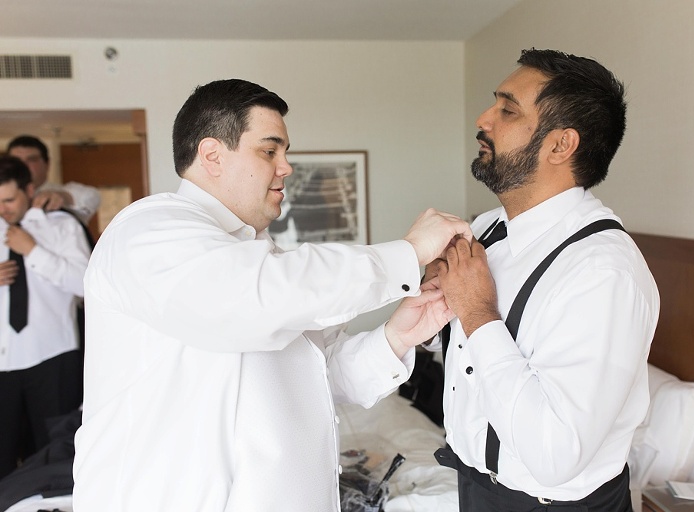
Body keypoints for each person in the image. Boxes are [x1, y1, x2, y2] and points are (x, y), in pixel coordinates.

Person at [72, 78, 472, 512]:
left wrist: (397, 336)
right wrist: (407, 254)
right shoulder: (148, 231)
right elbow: (251, 297)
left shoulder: (258, 259)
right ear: (211, 156)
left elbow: (322, 379)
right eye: (269, 151)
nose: (286, 167)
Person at [429, 49, 660, 511]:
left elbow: (556, 454)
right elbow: (466, 358)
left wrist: (477, 312)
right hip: (475, 488)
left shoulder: (604, 273)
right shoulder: (489, 228)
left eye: (507, 109)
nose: (484, 118)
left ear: (560, 146)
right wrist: (438, 307)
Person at [0, 156, 91, 480]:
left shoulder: (62, 226)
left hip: (52, 359)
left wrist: (33, 252)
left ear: (29, 189)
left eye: (9, 200)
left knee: (54, 459)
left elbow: (86, 283)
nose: (4, 209)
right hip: (2, 366)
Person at [6, 135, 101, 224]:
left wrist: (62, 197)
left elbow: (92, 196)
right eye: (17, 161)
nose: (23, 166)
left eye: (31, 160)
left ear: (47, 164)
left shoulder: (59, 192)